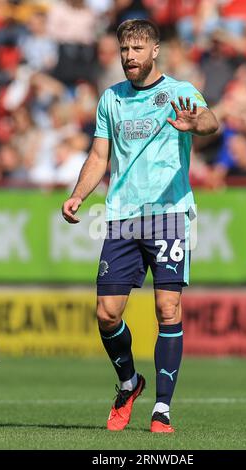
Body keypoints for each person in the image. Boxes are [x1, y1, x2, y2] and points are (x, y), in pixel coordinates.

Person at [62, 19, 218, 433]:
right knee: (107, 314)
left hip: (169, 214)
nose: (129, 56)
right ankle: (129, 383)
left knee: (168, 310)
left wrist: (194, 124)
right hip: (122, 217)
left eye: (137, 48)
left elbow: (210, 121)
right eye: (124, 49)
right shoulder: (111, 99)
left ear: (154, 51)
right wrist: (80, 193)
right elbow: (99, 156)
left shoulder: (180, 92)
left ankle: (162, 409)